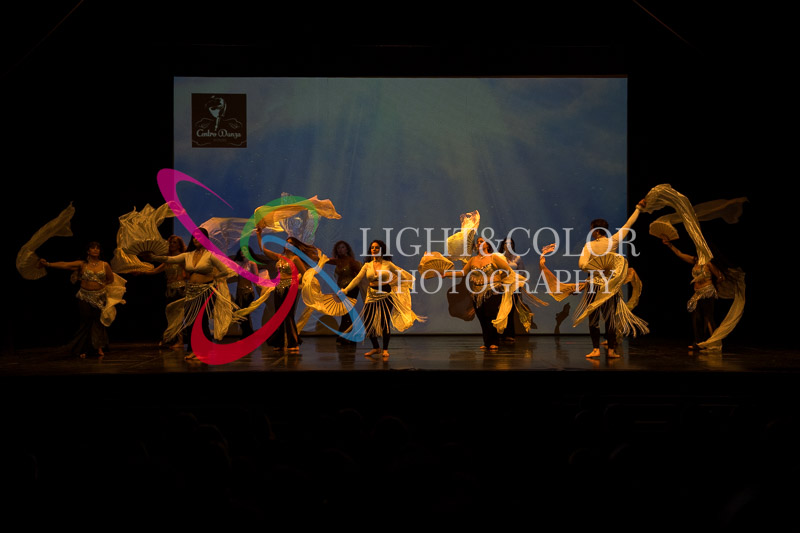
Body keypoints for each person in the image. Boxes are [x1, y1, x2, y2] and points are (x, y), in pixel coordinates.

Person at [539, 199, 649, 359]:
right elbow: (628, 224)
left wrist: (596, 268)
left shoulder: (589, 246)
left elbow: (582, 265)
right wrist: (638, 208)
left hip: (593, 286)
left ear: (596, 231)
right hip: (609, 286)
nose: (591, 232)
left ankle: (596, 349)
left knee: (594, 318)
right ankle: (611, 350)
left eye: (592, 229)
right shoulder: (613, 241)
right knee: (610, 319)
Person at [143, 228, 235, 361]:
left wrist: (214, 276)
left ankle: (204, 351)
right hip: (191, 291)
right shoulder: (188, 255)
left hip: (206, 290)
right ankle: (193, 350)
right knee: (191, 321)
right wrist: (153, 257)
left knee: (201, 321)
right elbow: (169, 259)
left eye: (199, 237)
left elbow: (224, 271)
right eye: (194, 237)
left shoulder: (210, 255)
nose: (196, 239)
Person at [338, 239, 424, 359]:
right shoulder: (367, 265)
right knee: (368, 322)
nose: (374, 250)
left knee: (384, 323)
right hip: (371, 295)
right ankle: (376, 347)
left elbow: (403, 276)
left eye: (377, 248)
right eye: (372, 248)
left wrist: (393, 283)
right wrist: (346, 290)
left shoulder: (388, 264)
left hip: (385, 294)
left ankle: (385, 349)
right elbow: (357, 279)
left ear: (382, 250)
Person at [39, 241, 115, 358]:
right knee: (86, 321)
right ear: (88, 251)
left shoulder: (105, 265)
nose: (96, 250)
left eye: (97, 248)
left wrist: (101, 285)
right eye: (93, 248)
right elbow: (65, 265)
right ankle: (84, 348)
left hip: (100, 297)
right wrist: (48, 264)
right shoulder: (82, 264)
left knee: (98, 322)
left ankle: (98, 347)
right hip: (84, 296)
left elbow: (110, 279)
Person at [255, 227, 316, 353]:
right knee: (279, 315)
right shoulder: (280, 257)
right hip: (279, 288)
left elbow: (305, 274)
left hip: (290, 288)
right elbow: (264, 250)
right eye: (287, 242)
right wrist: (259, 235)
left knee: (288, 315)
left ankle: (293, 342)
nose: (288, 245)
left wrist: (295, 281)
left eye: (291, 244)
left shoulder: (295, 259)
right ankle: (280, 342)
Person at [449, 237, 513, 351]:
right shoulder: (473, 260)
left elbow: (507, 270)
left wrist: (498, 279)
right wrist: (446, 274)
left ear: (487, 245)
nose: (479, 243)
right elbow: (463, 272)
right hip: (476, 293)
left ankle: (494, 342)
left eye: (481, 241)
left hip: (492, 290)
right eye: (477, 242)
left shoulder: (493, 257)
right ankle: (487, 342)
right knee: (482, 317)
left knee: (491, 316)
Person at [661, 236, 725, 351]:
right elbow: (680, 254)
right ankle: (699, 342)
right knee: (696, 317)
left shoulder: (708, 263)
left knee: (708, 317)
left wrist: (712, 283)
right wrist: (670, 245)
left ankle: (713, 343)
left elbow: (721, 277)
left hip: (707, 292)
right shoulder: (695, 261)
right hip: (697, 293)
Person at [136, 235, 187, 348]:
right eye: (170, 242)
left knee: (178, 316)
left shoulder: (182, 258)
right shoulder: (167, 260)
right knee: (171, 315)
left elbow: (188, 272)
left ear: (179, 245)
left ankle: (180, 341)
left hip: (180, 289)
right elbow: (155, 271)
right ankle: (172, 338)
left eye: (174, 242)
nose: (171, 244)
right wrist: (141, 272)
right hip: (170, 290)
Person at [327, 240, 362, 346]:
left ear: (347, 249)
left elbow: (360, 275)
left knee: (347, 313)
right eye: (338, 248)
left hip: (351, 289)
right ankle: (348, 337)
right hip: (342, 289)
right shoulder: (338, 261)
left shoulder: (351, 261)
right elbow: (326, 260)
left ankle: (345, 337)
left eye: (342, 247)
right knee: (345, 313)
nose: (340, 249)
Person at [499, 237, 525, 344]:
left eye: (510, 243)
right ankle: (499, 333)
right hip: (501, 288)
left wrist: (516, 281)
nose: (508, 245)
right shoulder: (499, 257)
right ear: (503, 245)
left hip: (514, 287)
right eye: (506, 243)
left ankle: (509, 334)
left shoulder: (517, 258)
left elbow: (522, 273)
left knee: (510, 311)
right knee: (501, 310)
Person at [231, 247, 260, 338]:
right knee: (239, 313)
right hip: (239, 291)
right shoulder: (238, 264)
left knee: (245, 313)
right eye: (241, 250)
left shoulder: (252, 264)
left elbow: (256, 278)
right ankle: (247, 333)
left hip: (248, 291)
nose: (242, 252)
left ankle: (247, 334)